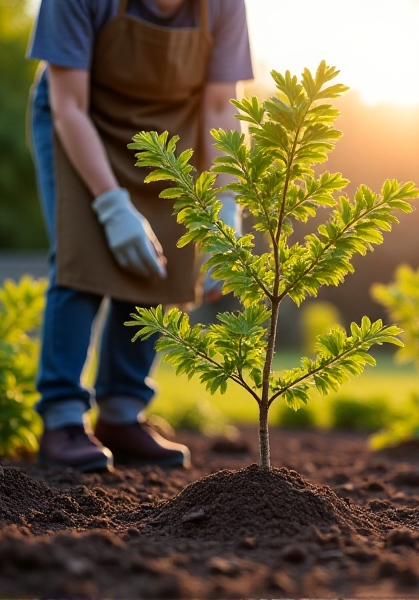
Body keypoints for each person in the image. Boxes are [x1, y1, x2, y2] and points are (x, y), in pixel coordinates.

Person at [27, 0, 253, 472]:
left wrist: (226, 209)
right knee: (81, 259)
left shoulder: (223, 5)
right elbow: (69, 105)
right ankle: (63, 418)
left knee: (163, 257)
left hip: (172, 125)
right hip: (80, 119)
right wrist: (110, 205)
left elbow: (218, 105)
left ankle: (121, 413)